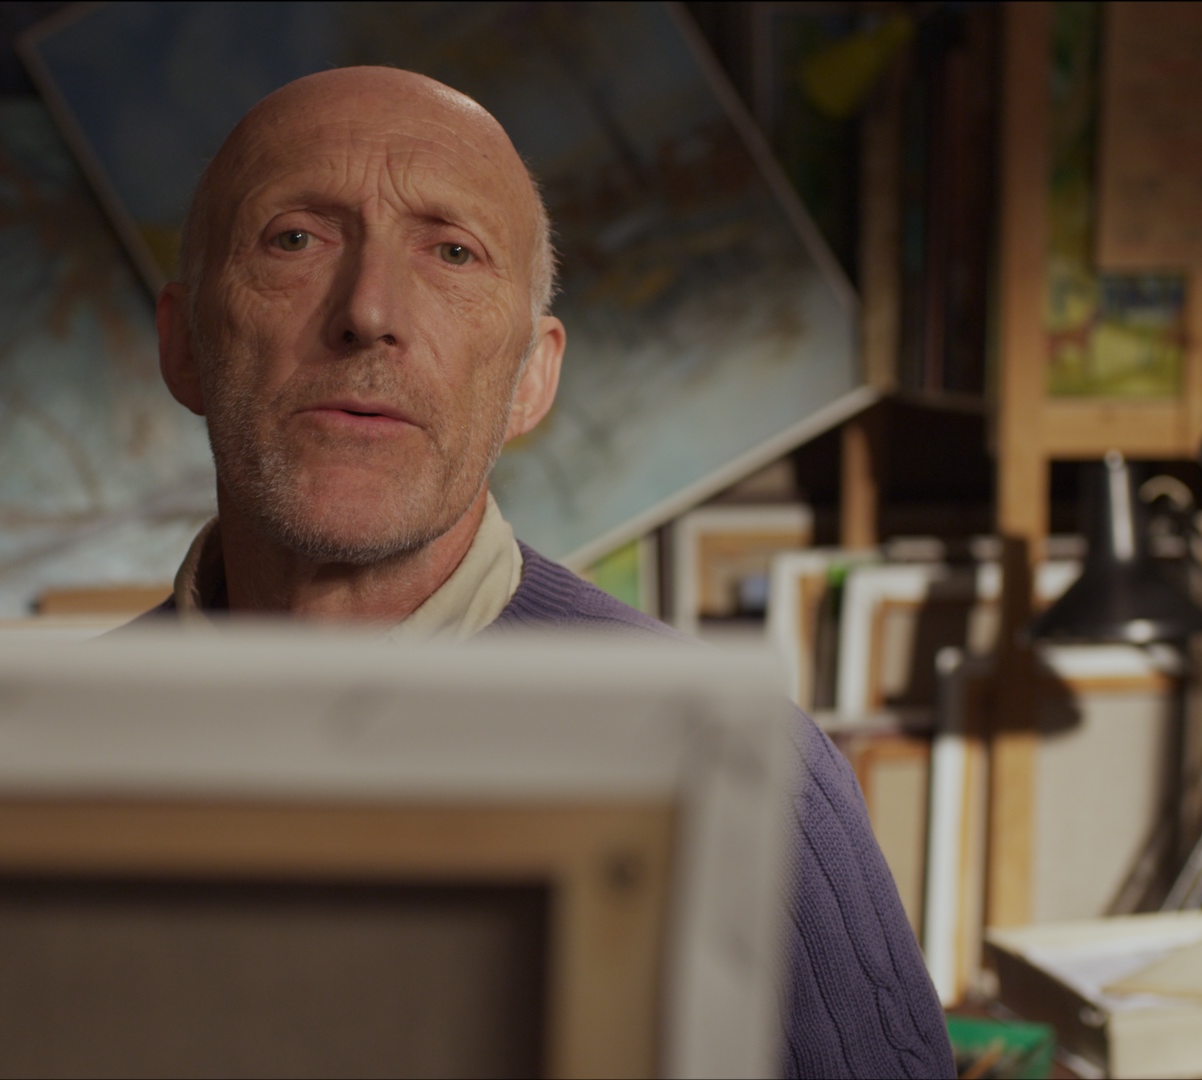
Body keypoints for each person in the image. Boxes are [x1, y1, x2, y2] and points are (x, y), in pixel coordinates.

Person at [129, 66, 953, 1076]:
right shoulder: (9, 768)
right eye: (295, 239)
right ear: (183, 344)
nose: (369, 310)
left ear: (530, 377)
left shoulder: (741, 780)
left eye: (451, 252)